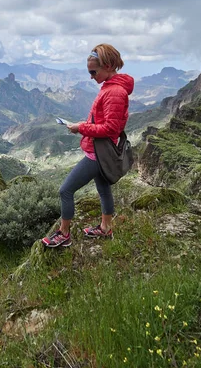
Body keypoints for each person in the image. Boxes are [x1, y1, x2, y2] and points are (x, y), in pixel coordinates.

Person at [42, 44, 134, 248]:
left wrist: (81, 128)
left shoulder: (115, 92)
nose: (91, 77)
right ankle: (105, 228)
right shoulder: (110, 87)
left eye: (94, 72)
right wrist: (82, 126)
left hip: (98, 152)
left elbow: (110, 128)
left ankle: (64, 234)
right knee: (103, 189)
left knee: (65, 190)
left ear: (108, 66)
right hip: (100, 148)